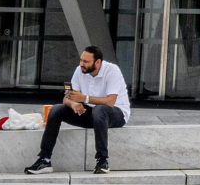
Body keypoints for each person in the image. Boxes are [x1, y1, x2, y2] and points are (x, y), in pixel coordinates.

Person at [26, 45, 129, 175]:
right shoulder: (79, 70)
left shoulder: (112, 70)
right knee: (56, 110)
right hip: (92, 113)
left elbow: (110, 102)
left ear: (97, 62)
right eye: (81, 60)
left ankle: (102, 160)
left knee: (99, 110)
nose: (81, 64)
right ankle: (44, 160)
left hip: (116, 113)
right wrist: (73, 104)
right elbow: (66, 99)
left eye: (86, 61)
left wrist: (84, 98)